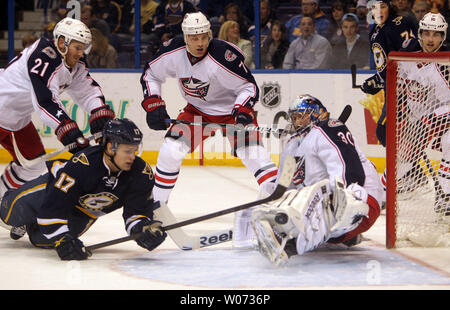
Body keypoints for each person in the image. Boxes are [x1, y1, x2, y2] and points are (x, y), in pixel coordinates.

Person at [139, 12, 278, 248]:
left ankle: (275, 209)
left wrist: (242, 111)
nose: (200, 43)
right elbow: (151, 74)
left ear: (209, 35)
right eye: (194, 38)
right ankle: (156, 212)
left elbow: (248, 86)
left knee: (254, 156)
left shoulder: (224, 56)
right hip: (197, 111)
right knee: (171, 151)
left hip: (231, 112)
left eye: (203, 37)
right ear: (185, 37)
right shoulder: (172, 52)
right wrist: (154, 103)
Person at [0, 118, 167, 260]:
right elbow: (54, 206)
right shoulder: (83, 164)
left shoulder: (141, 174)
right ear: (110, 148)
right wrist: (61, 238)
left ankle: (30, 225)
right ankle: (22, 218)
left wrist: (143, 230)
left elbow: (136, 213)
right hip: (52, 190)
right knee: (9, 212)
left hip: (84, 212)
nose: (133, 157)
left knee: (40, 240)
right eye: (128, 151)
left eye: (135, 150)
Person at [250, 95, 384, 266]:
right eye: (294, 117)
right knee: (271, 191)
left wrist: (347, 200)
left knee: (320, 191)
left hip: (360, 204)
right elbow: (282, 188)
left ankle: (289, 247)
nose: (296, 121)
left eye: (301, 116)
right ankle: (345, 236)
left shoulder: (328, 128)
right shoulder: (292, 145)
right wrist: (275, 207)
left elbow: (349, 169)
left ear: (316, 114)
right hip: (333, 228)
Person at [0, 17, 115, 213]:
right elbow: (45, 101)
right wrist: (68, 131)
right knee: (33, 164)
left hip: (15, 121)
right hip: (5, 113)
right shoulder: (43, 56)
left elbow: (87, 90)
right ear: (62, 42)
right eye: (77, 48)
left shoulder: (73, 63)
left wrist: (99, 113)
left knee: (33, 165)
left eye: (84, 48)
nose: (81, 53)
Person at [395, 12, 449, 214]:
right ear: (420, 34)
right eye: (427, 33)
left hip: (442, 123)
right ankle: (413, 175)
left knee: (449, 142)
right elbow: (399, 83)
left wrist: (428, 121)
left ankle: (446, 196)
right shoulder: (407, 53)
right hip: (417, 123)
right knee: (398, 160)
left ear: (443, 37)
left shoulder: (445, 65)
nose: (430, 39)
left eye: (436, 35)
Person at [360, 0, 418, 147]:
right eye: (374, 8)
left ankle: (406, 167)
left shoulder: (399, 23)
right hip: (393, 89)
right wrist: (375, 81)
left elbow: (408, 60)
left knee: (385, 131)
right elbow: (386, 69)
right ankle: (410, 167)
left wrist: (377, 81)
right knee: (390, 133)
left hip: (408, 89)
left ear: (389, 8)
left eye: (382, 7)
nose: (378, 11)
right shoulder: (375, 31)